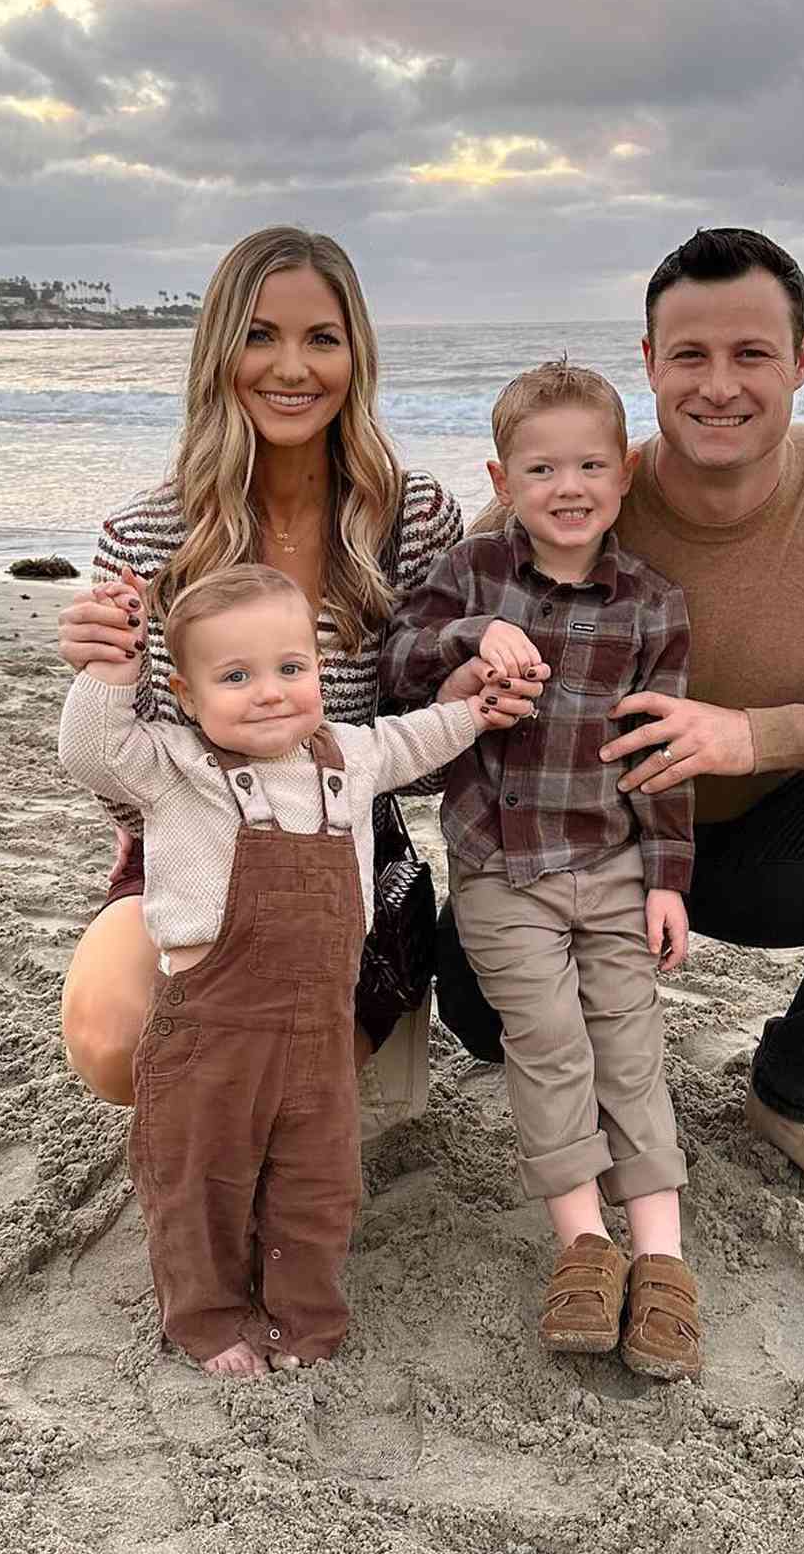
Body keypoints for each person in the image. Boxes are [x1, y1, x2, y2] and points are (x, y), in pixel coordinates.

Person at [436, 229, 804, 1232]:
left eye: (751, 354)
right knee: (481, 1016)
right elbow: (416, 679)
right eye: (690, 356)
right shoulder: (570, 492)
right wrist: (466, 686)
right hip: (576, 854)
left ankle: (797, 1095)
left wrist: (755, 735)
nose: (719, 386)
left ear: (801, 359)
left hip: (762, 844)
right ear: (648, 364)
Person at [54, 225, 524, 1135]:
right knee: (115, 1040)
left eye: (321, 338)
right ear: (220, 349)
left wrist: (466, 694)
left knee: (285, 1093)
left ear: (357, 354)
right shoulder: (145, 536)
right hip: (186, 848)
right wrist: (102, 678)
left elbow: (418, 763)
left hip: (342, 854)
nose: (291, 367)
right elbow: (125, 782)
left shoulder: (416, 518)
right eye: (260, 335)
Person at [59, 563, 513, 1375]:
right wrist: (113, 671)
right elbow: (91, 750)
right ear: (187, 698)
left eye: (290, 669)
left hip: (318, 1027)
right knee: (201, 1183)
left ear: (317, 672)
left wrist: (475, 708)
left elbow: (421, 737)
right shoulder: (174, 766)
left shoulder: (350, 756)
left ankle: (300, 1317)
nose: (269, 692)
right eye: (235, 677)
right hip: (209, 1029)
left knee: (316, 1188)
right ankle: (207, 1320)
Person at [382, 362, 704, 1380]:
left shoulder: (653, 606)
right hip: (500, 868)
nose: (568, 485)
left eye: (591, 464)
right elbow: (396, 658)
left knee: (629, 1040)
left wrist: (666, 876)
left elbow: (658, 752)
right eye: (542, 466)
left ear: (625, 472)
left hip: (611, 864)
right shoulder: (474, 570)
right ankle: (582, 1240)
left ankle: (660, 1256)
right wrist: (475, 638)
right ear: (502, 475)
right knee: (549, 1039)